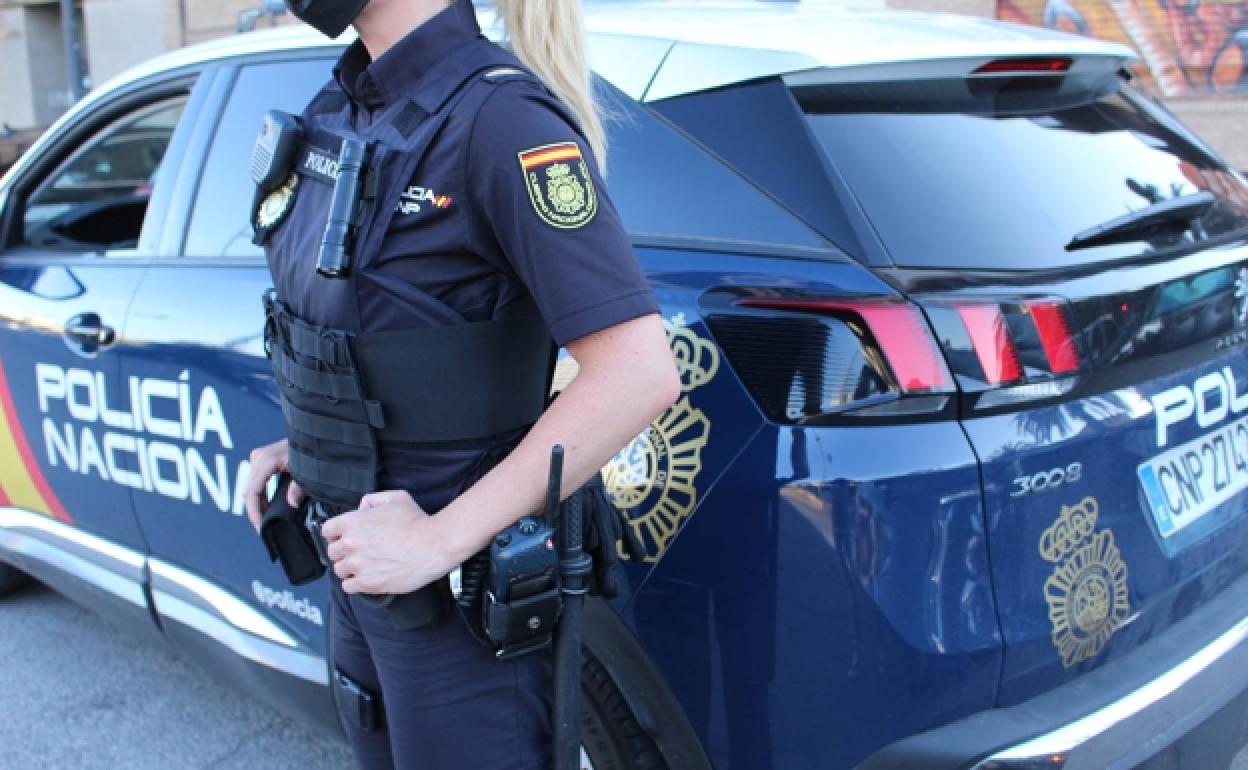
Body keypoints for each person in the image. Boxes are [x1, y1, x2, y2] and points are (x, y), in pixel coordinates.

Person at [241, 0, 680, 767]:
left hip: (460, 608)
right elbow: (392, 341)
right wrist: (312, 443)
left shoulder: (500, 119)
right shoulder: (344, 104)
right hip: (364, 570)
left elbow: (638, 372)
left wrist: (438, 540)